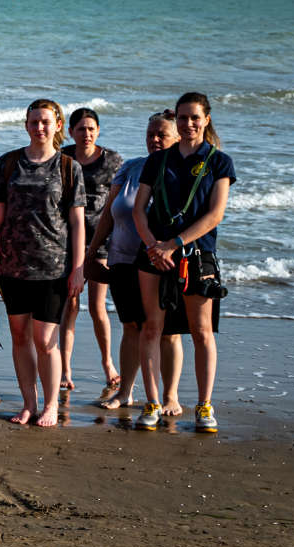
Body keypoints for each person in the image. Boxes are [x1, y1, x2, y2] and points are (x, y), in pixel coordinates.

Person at [132, 92, 233, 434]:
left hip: (196, 255)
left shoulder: (219, 161)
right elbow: (138, 210)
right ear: (175, 120)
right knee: (151, 328)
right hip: (153, 254)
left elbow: (215, 214)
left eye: (195, 117)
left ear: (206, 119)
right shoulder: (158, 160)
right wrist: (153, 246)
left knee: (201, 332)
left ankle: (204, 406)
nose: (188, 124)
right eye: (182, 118)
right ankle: (152, 402)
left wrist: (174, 244)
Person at [0, 99, 86, 427]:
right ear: (26, 125)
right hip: (13, 265)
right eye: (33, 121)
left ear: (58, 125)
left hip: (54, 267)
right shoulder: (9, 163)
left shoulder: (69, 167)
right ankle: (29, 403)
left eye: (45, 121)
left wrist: (79, 268)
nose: (39, 127)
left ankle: (52, 404)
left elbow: (78, 222)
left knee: (45, 340)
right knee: (19, 336)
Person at [89, 111, 185, 411]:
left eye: (162, 135)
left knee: (166, 332)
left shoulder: (183, 171)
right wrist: (90, 254)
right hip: (123, 260)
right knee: (131, 326)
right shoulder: (130, 168)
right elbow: (108, 214)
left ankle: (169, 397)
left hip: (164, 264)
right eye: (150, 134)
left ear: (178, 137)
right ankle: (125, 392)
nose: (154, 140)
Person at [60, 107, 123, 396]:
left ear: (98, 131)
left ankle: (108, 363)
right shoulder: (62, 158)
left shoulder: (112, 160)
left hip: (101, 242)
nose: (86, 134)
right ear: (70, 131)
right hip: (68, 242)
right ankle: (65, 369)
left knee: (99, 307)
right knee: (70, 306)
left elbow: (120, 202)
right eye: (81, 129)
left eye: (91, 128)